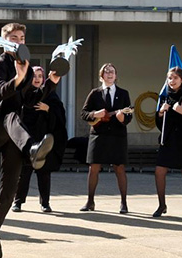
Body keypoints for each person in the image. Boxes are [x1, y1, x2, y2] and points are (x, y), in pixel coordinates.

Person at [0, 23, 59, 258]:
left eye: (22, 37)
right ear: (4, 41)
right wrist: (20, 76)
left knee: (10, 188)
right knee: (11, 114)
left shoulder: (24, 66)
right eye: (14, 37)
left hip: (14, 135)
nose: (19, 41)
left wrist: (51, 80)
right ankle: (33, 149)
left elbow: (33, 97)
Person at [12, 66, 67, 213]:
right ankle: (18, 202)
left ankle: (45, 203)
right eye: (34, 76)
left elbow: (60, 116)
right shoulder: (24, 93)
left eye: (40, 76)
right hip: (28, 139)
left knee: (44, 172)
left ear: (44, 79)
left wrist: (48, 109)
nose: (37, 79)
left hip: (44, 140)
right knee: (24, 172)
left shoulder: (51, 95)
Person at [79, 63, 133, 214]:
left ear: (116, 76)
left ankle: (123, 202)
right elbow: (84, 113)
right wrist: (94, 114)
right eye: (106, 72)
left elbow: (129, 115)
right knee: (93, 167)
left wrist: (123, 117)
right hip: (98, 135)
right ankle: (90, 201)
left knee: (120, 168)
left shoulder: (123, 93)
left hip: (117, 136)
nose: (109, 74)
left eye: (112, 72)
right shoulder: (95, 93)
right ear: (101, 76)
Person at [153, 67, 182, 218]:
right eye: (169, 78)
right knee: (159, 171)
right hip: (168, 140)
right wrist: (160, 113)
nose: (172, 81)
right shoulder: (166, 96)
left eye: (175, 78)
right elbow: (161, 125)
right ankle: (161, 205)